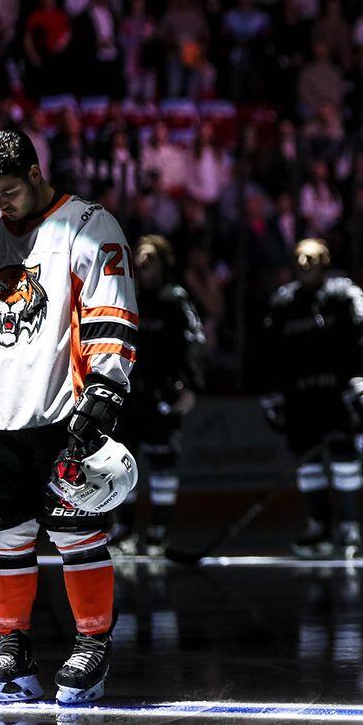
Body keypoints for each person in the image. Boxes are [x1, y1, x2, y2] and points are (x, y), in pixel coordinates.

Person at [0, 130, 138, 704]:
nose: (2, 203)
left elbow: (110, 310)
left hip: (62, 412)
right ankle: (11, 648)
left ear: (36, 174)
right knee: (4, 536)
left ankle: (92, 643)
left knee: (76, 532)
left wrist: (106, 387)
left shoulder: (88, 225)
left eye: (11, 191)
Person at [260, 238, 363, 557]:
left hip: (337, 396)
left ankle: (348, 527)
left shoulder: (344, 295)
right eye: (299, 258)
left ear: (325, 261)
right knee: (309, 466)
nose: (304, 264)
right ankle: (318, 527)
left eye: (312, 257)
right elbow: (271, 353)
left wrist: (359, 388)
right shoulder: (284, 302)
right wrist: (274, 394)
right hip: (301, 400)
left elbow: (362, 343)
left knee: (344, 459)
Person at [112, 234, 205, 556]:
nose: (142, 262)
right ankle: (124, 529)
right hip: (128, 395)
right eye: (138, 256)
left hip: (163, 394)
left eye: (149, 256)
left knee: (163, 463)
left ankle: (158, 531)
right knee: (122, 464)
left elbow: (194, 341)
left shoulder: (175, 299)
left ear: (164, 263)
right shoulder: (126, 298)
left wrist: (190, 386)